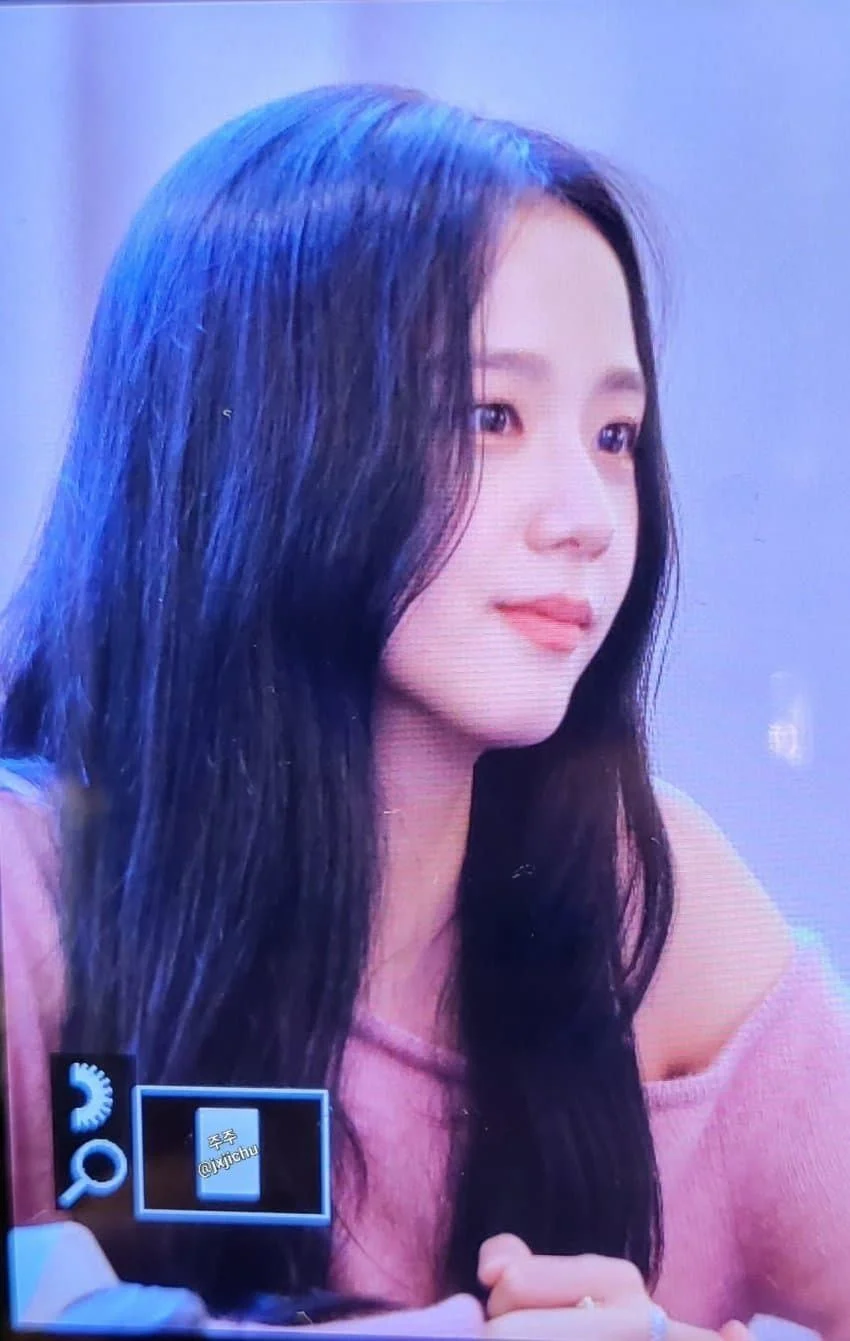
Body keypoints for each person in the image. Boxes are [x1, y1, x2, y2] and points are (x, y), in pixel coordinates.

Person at [0, 83, 848, 1340]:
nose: (587, 516)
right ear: (263, 432)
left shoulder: (645, 899)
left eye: (615, 435)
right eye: (490, 416)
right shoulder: (30, 900)